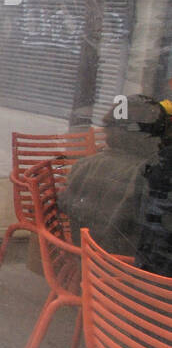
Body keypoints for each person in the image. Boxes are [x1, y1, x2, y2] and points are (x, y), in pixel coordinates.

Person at [59, 95, 164, 256]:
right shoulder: (147, 175)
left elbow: (65, 203)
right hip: (128, 269)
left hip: (91, 262)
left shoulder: (85, 165)